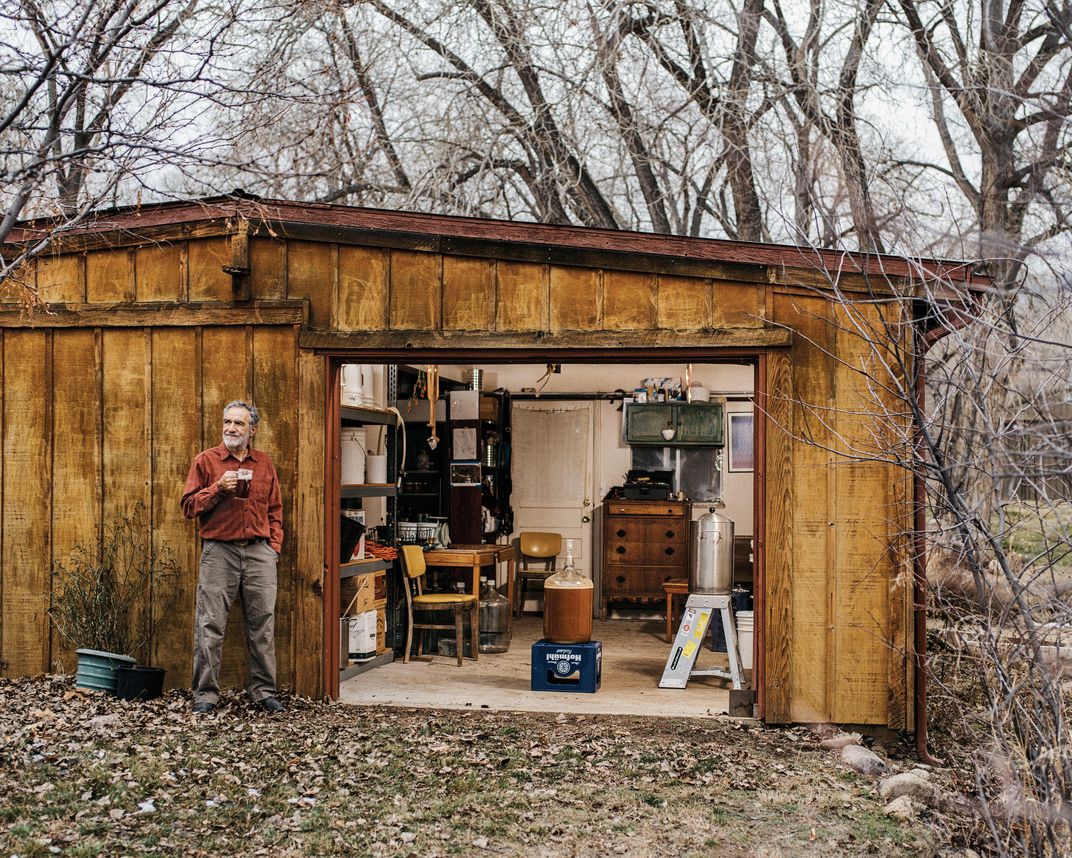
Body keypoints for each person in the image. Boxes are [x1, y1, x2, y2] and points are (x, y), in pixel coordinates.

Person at [181, 400, 284, 714]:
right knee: (209, 625)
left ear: (252, 429)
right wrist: (217, 488)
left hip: (259, 552)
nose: (231, 428)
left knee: (262, 625)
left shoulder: (263, 463)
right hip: (219, 552)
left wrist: (273, 548)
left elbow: (275, 510)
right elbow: (187, 507)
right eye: (227, 422)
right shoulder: (206, 461)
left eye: (238, 423)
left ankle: (264, 691)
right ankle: (206, 695)